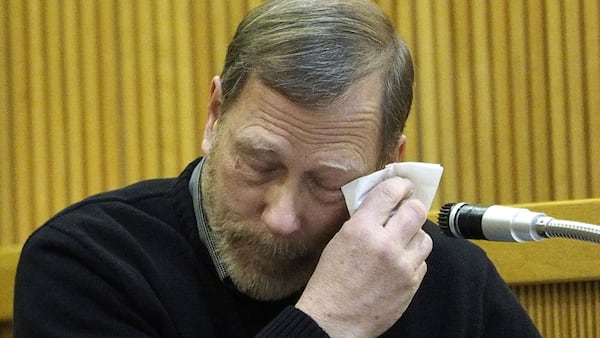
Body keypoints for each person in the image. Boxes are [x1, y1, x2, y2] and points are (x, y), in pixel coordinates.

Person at [13, 0, 541, 337]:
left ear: (388, 165)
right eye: (260, 164)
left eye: (328, 183)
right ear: (215, 115)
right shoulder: (87, 263)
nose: (282, 218)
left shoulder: (444, 278)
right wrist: (328, 321)